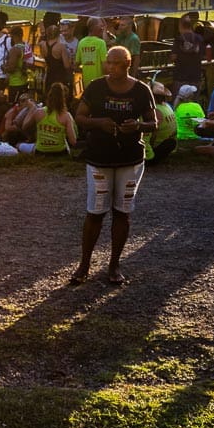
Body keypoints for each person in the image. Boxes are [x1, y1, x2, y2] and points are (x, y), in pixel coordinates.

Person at [71, 46, 156, 285]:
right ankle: (84, 265)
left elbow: (153, 123)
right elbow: (80, 117)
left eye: (116, 63)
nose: (110, 67)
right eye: (108, 62)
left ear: (127, 64)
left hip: (130, 158)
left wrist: (137, 126)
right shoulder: (96, 86)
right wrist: (99, 123)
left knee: (122, 211)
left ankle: (114, 264)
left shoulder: (141, 90)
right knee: (95, 211)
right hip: (99, 157)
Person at [20, 82, 78, 156]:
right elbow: (73, 141)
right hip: (60, 153)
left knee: (19, 145)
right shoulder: (66, 116)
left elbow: (24, 126)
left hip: (40, 152)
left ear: (49, 96)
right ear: (64, 99)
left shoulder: (38, 112)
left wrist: (32, 108)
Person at [171, 12, 204, 91]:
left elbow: (173, 57)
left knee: (179, 99)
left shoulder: (178, 39)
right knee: (194, 99)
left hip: (180, 78)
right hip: (195, 78)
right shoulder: (199, 39)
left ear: (180, 26)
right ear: (191, 26)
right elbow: (203, 55)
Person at [77, 17, 109, 89]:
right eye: (101, 26)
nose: (102, 29)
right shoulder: (101, 43)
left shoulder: (81, 42)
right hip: (99, 83)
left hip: (86, 84)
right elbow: (105, 67)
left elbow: (76, 64)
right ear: (95, 27)